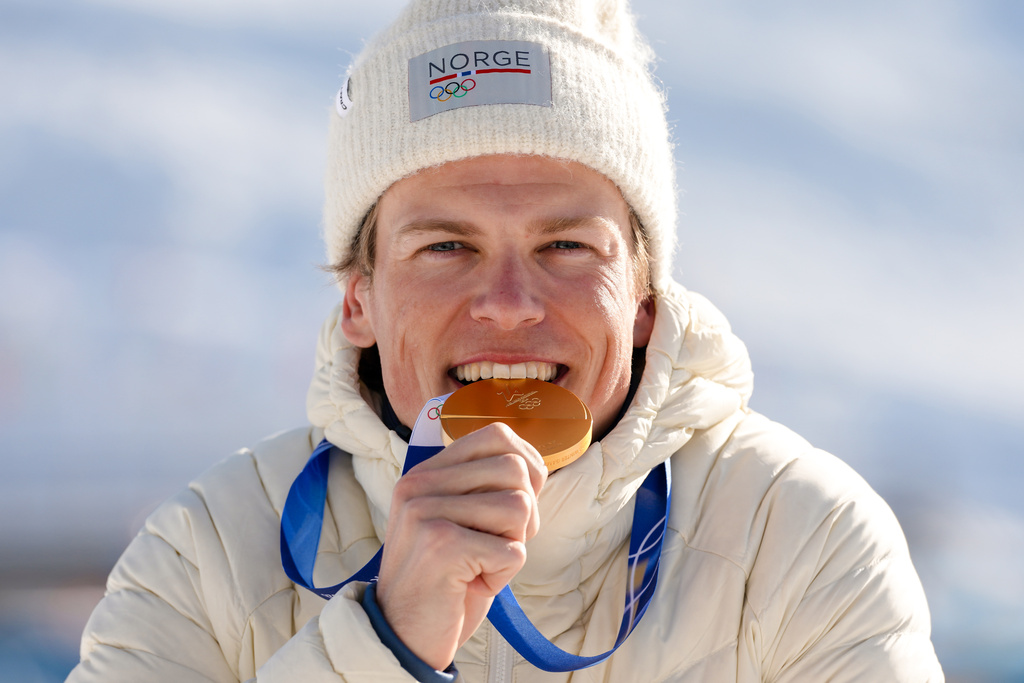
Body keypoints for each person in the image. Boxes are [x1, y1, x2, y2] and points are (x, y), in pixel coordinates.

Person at [68, 0, 945, 681]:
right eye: (446, 246)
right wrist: (390, 639)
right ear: (358, 303)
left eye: (566, 245)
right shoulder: (207, 555)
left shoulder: (798, 537)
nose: (510, 303)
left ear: (643, 299)